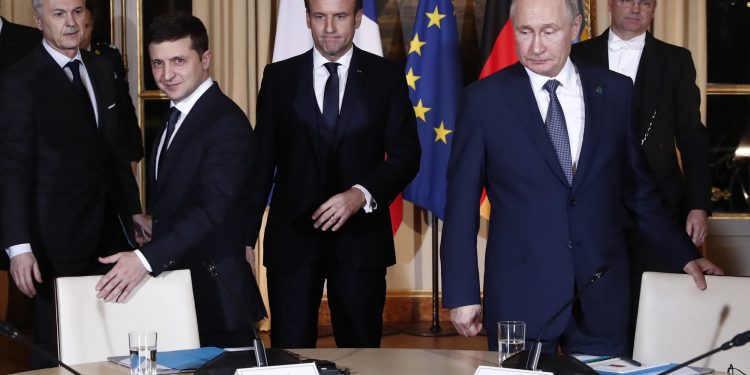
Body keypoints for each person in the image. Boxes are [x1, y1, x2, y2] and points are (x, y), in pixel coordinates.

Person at [440, 0, 722, 357]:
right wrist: (462, 293)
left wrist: (684, 254)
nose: (536, 46)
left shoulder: (615, 91)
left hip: (601, 294)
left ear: (575, 28)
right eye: (525, 32)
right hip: (521, 296)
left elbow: (639, 191)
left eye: (549, 31)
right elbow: (461, 204)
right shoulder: (483, 100)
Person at [250, 0, 420, 348]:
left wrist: (361, 193)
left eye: (339, 16)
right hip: (292, 243)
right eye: (320, 17)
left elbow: (407, 156)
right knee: (289, 358)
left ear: (358, 19)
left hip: (361, 243)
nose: (329, 27)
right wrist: (244, 240)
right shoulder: (278, 77)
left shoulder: (386, 77)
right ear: (307, 19)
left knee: (361, 356)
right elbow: (260, 165)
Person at [94, 13, 267, 348]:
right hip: (183, 296)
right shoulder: (176, 116)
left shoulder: (225, 123)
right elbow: (184, 199)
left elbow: (214, 210)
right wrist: (154, 223)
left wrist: (144, 261)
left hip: (219, 299)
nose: (166, 75)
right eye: (157, 63)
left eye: (178, 61)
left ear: (205, 59)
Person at [0, 0, 143, 368]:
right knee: (55, 344)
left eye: (77, 12)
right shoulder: (19, 81)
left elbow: (114, 152)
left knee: (109, 337)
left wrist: (133, 211)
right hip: (53, 241)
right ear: (38, 20)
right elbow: (12, 170)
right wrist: (18, 247)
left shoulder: (100, 68)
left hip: (109, 234)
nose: (71, 23)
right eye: (59, 14)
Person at [570, 0, 711, 353]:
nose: (635, 8)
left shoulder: (676, 60)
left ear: (654, 10)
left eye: (645, 2)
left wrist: (698, 205)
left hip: (659, 207)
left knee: (656, 312)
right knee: (598, 308)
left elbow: (693, 138)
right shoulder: (577, 56)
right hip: (596, 205)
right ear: (610, 4)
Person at [80, 0, 144, 174]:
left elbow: (124, 106)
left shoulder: (107, 56)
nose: (80, 32)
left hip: (111, 154)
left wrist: (133, 153)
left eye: (85, 25)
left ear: (92, 25)